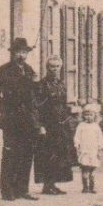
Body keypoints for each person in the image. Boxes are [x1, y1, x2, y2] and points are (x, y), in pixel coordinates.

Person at [0, 38, 40, 200]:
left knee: (26, 155)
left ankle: (22, 189)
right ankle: (7, 190)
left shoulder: (30, 70)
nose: (21, 56)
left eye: (24, 52)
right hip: (11, 121)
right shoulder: (4, 70)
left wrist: (36, 85)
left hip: (28, 121)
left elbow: (35, 96)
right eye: (18, 52)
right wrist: (5, 110)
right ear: (13, 53)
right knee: (11, 154)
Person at [33, 57, 75, 195]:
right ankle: (47, 185)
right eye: (52, 67)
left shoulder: (61, 84)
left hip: (60, 124)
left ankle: (53, 184)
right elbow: (36, 107)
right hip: (48, 125)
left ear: (61, 68)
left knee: (59, 155)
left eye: (57, 66)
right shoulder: (42, 85)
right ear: (47, 68)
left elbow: (64, 104)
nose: (55, 69)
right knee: (48, 155)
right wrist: (40, 126)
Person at [74, 103, 103, 194]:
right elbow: (77, 137)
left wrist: (99, 150)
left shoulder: (96, 127)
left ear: (95, 116)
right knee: (85, 169)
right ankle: (85, 187)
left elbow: (100, 139)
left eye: (91, 115)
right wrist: (77, 147)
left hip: (93, 151)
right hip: (84, 150)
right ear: (83, 116)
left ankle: (92, 187)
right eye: (86, 115)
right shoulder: (81, 126)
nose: (88, 117)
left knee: (92, 170)